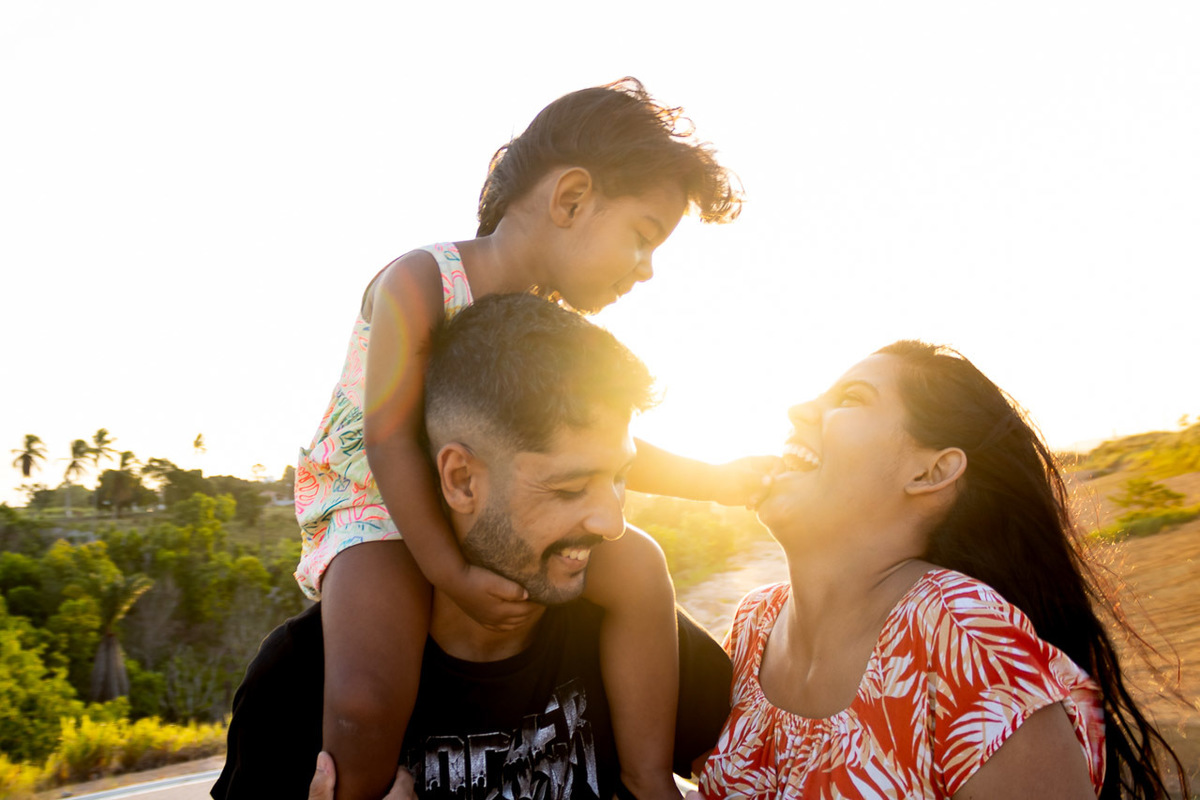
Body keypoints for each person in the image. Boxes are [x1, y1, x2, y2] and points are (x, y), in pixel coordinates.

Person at [293, 79, 768, 800]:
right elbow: (389, 440)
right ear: (571, 199)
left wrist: (718, 481)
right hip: (378, 510)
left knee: (639, 567)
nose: (646, 269)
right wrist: (450, 576)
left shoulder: (549, 333)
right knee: (365, 698)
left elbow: (596, 453)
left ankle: (647, 780)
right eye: (642, 237)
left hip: (498, 515)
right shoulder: (420, 281)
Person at [215, 294, 734, 800]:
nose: (612, 522)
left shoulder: (631, 631)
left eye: (620, 477)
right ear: (461, 480)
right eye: (570, 488)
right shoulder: (301, 681)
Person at [695, 341, 1190, 799]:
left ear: (930, 472)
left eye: (850, 398)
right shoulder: (754, 622)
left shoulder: (964, 638)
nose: (797, 410)